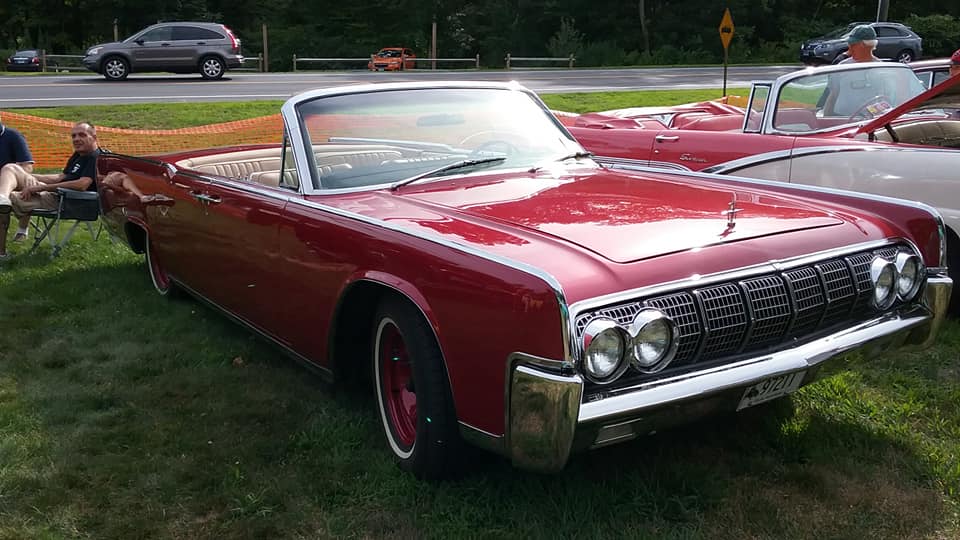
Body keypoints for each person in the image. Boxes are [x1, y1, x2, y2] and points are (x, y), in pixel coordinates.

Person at [0, 121, 100, 259]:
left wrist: (41, 187)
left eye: (82, 135)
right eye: (73, 136)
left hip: (66, 201)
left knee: (9, 179)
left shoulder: (96, 157)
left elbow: (82, 184)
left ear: (94, 137)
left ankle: (2, 251)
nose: (76, 139)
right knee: (10, 169)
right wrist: (28, 177)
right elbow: (61, 177)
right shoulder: (78, 155)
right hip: (54, 195)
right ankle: (2, 197)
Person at [0, 117, 35, 245]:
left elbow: (27, 166)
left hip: (11, 181)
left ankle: (22, 229)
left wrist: (8, 175)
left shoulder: (13, 136)